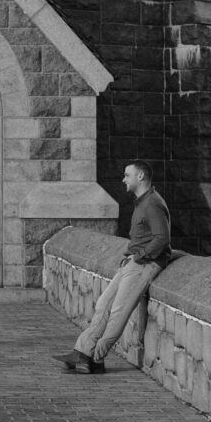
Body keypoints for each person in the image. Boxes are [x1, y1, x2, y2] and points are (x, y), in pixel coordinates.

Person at [57, 159, 171, 374]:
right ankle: (82, 352)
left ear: (140, 176)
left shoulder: (153, 203)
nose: (123, 179)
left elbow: (162, 238)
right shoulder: (142, 202)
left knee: (118, 312)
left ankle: (95, 357)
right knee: (103, 304)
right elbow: (145, 236)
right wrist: (130, 254)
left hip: (145, 265)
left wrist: (140, 257)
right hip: (135, 262)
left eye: (127, 175)